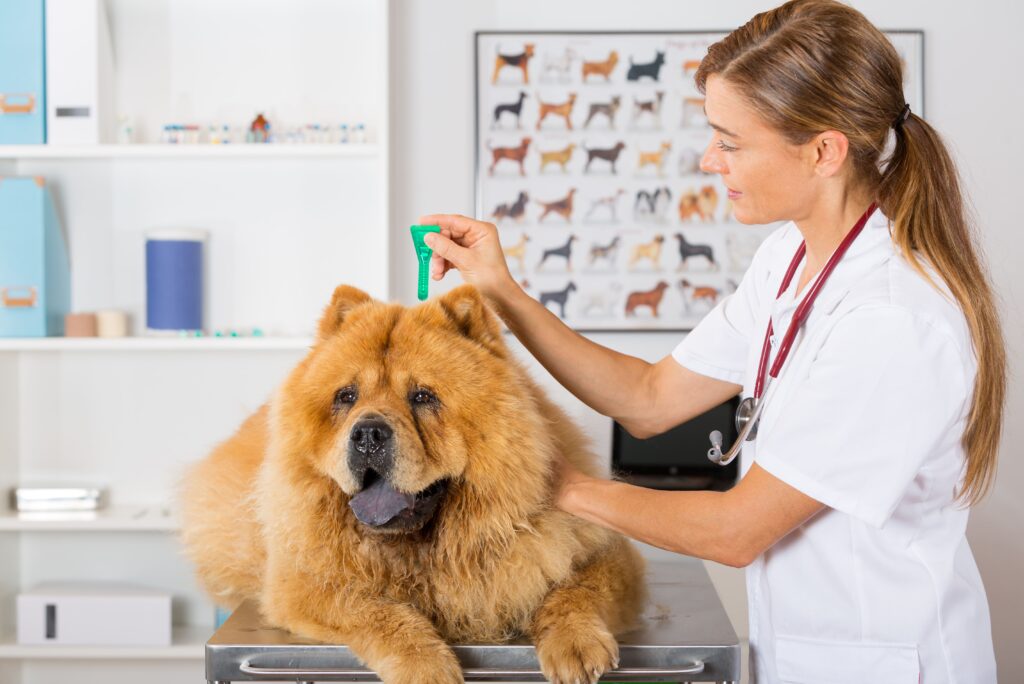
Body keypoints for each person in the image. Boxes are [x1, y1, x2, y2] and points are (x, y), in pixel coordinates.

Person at [420, 1, 1006, 681]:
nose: (708, 160)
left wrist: (550, 484)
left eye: (730, 142)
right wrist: (504, 295)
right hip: (806, 652)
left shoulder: (894, 320)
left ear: (824, 152)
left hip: (887, 662)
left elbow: (738, 531)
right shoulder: (790, 259)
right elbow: (648, 398)